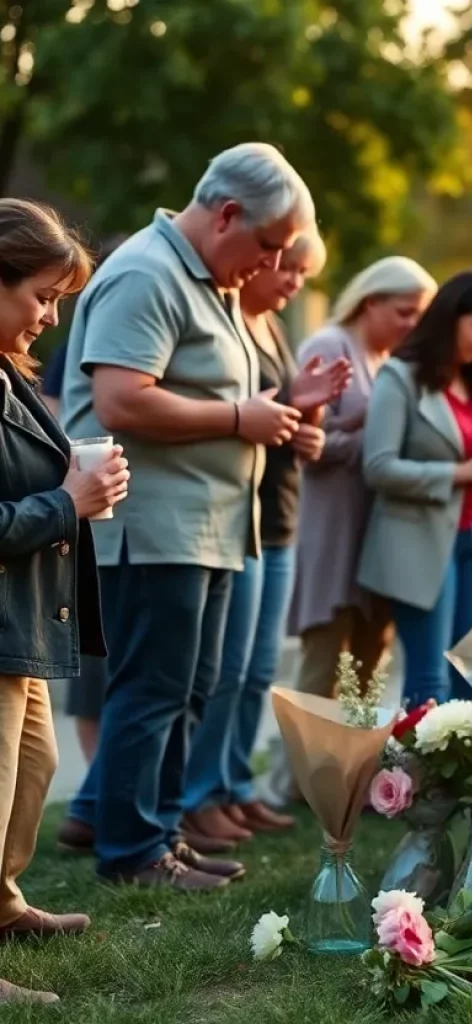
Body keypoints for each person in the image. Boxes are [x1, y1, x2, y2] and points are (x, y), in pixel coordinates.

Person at [56, 143, 320, 890]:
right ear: (227, 214)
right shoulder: (147, 273)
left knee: (186, 690)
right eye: (269, 245)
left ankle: (161, 835)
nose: (271, 264)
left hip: (207, 527)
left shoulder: (209, 280)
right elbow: (120, 400)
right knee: (152, 688)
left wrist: (271, 416)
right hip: (154, 527)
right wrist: (240, 418)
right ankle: (132, 852)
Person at [181, 231, 349, 846]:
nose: (292, 281)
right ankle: (201, 794)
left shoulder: (273, 329)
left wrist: (309, 420)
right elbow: (241, 417)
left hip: (280, 514)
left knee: (256, 671)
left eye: (303, 272)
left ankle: (233, 785)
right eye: (287, 267)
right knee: (226, 670)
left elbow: (284, 415)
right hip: (240, 516)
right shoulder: (230, 324)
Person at [0, 199, 127, 1004]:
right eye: (42, 296)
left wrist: (75, 482)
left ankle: (3, 902)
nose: (51, 316)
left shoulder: (9, 367)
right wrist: (65, 504)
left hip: (22, 615)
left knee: (34, 767)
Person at [358, 270, 472, 706]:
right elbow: (378, 467)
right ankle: (417, 756)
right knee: (430, 682)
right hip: (421, 546)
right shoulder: (400, 376)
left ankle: (463, 757)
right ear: (450, 317)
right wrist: (463, 472)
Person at [288, 257, 437, 701]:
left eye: (420, 316)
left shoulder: (387, 360)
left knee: (369, 676)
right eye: (404, 312)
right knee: (322, 672)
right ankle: (301, 752)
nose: (413, 325)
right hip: (333, 530)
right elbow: (304, 443)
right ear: (370, 302)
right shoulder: (329, 346)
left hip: (376, 534)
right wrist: (374, 441)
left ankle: (355, 752)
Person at [42, 234, 128, 766]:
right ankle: (95, 785)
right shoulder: (78, 346)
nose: (51, 315)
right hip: (85, 523)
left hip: (91, 515)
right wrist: (68, 493)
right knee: (98, 665)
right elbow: (52, 421)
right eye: (44, 297)